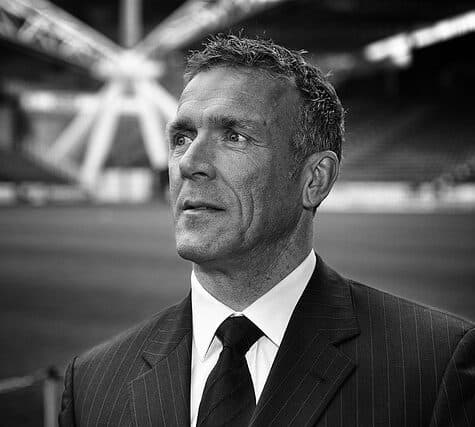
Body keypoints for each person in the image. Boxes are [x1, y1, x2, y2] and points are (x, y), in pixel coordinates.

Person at [59, 35, 474, 427]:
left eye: (234, 136)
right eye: (182, 137)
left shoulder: (434, 366)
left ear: (314, 179)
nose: (189, 163)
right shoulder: (92, 385)